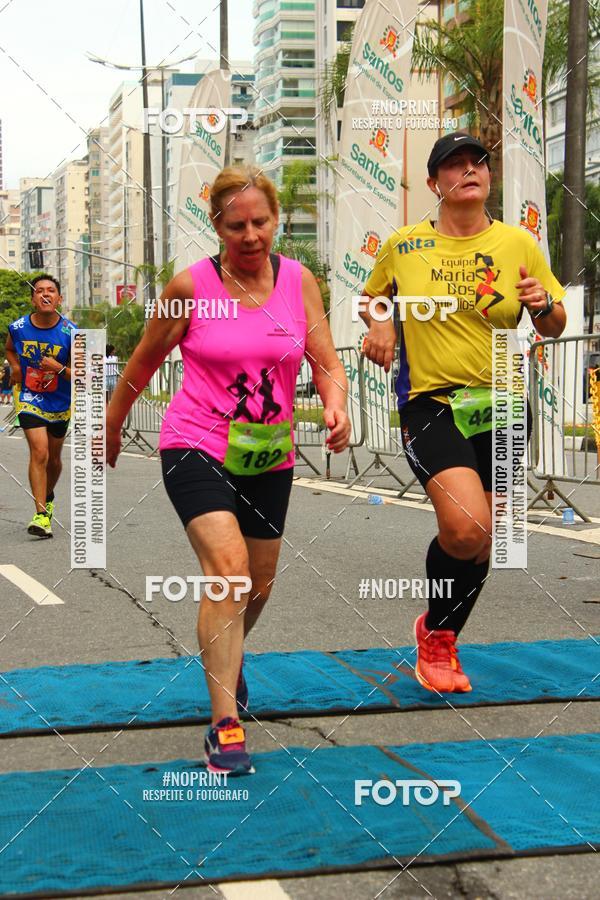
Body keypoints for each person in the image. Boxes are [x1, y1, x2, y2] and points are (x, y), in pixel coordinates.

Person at [107, 165, 350, 774]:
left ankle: (229, 659)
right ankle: (225, 725)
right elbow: (142, 362)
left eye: (260, 223)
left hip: (268, 450)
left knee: (259, 585)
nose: (250, 235)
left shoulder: (300, 282)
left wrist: (338, 403)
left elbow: (325, 362)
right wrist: (109, 424)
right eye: (236, 225)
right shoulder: (191, 286)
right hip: (195, 442)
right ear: (216, 225)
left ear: (276, 221)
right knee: (230, 574)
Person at [361, 132, 566, 693]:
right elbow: (373, 296)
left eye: (478, 163)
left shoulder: (518, 244)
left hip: (502, 396)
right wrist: (381, 322)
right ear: (435, 185)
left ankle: (439, 638)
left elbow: (554, 323)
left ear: (489, 178)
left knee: (486, 537)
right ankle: (437, 633)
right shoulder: (404, 245)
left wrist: (543, 305)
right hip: (431, 401)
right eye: (454, 165)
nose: (469, 171)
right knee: (464, 525)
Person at [4, 275, 76, 537]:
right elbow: (10, 349)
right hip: (29, 396)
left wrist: (60, 369)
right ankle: (41, 515)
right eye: (40, 291)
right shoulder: (18, 327)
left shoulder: (72, 331)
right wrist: (14, 366)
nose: (45, 295)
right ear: (32, 299)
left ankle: (47, 494)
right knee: (40, 452)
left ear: (59, 298)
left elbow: (86, 373)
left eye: (51, 291)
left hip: (60, 400)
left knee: (54, 460)